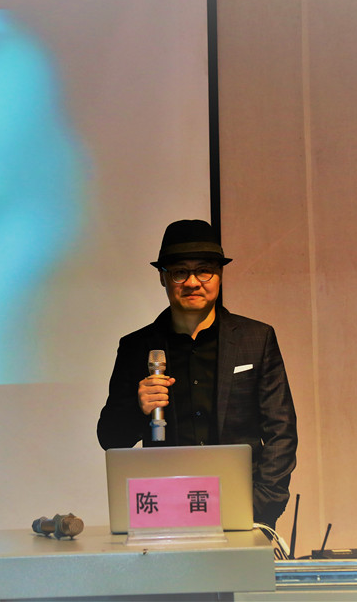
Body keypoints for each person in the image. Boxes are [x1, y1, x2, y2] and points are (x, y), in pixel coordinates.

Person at [97, 219, 297, 528]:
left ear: (219, 275)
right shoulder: (137, 347)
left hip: (244, 506)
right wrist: (138, 409)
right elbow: (109, 438)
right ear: (163, 278)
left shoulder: (256, 339)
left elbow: (281, 430)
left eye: (204, 270)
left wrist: (261, 505)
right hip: (165, 509)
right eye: (180, 272)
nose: (192, 282)